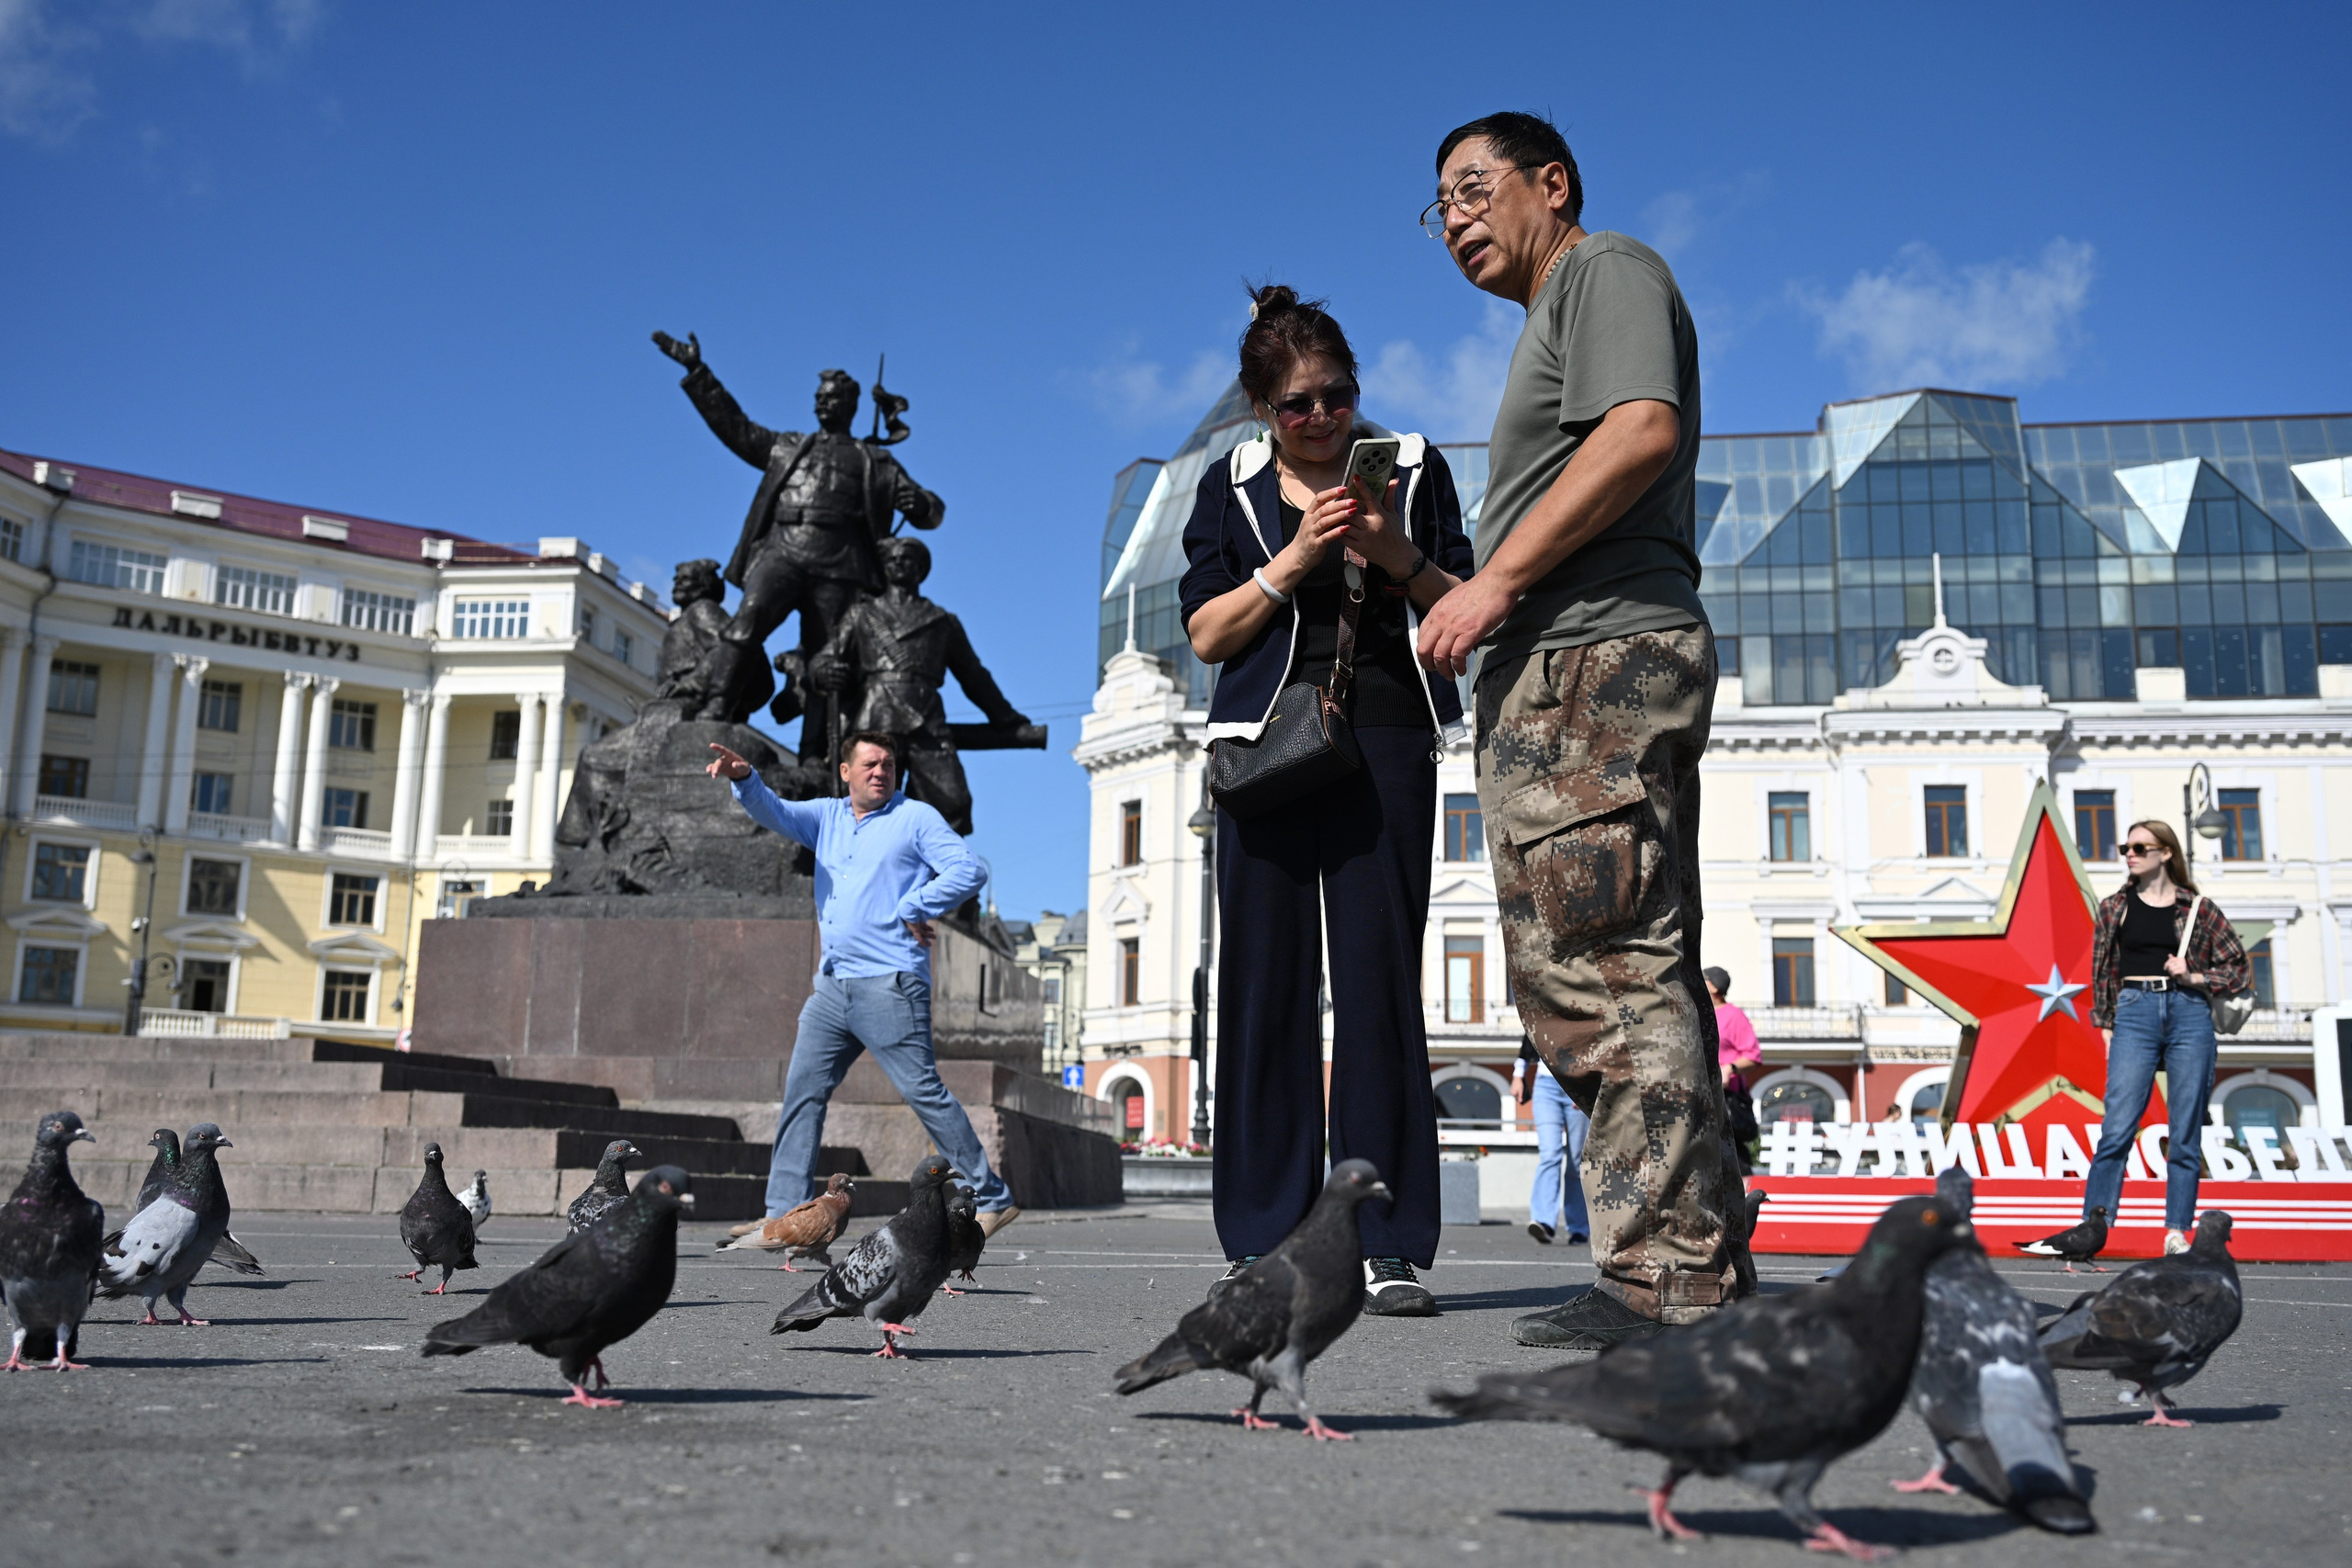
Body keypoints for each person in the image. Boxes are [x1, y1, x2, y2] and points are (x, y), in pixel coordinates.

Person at [1413, 111, 1742, 1348]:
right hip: (1574, 662)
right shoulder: (1561, 306)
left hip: (1591, 661)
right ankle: (1692, 1260)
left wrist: (1497, 583)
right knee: (1627, 958)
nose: (1455, 218)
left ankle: (1663, 1278)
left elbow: (1640, 428)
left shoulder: (1603, 269)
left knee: (1602, 967)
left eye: (1473, 187)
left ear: (1551, 183)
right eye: (1439, 205)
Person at [1179, 284, 1476, 1316]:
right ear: (1262, 409)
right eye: (1297, 403)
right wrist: (1297, 559)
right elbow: (1208, 633)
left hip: (1386, 738)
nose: (1321, 417)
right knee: (1263, 987)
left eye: (1337, 395)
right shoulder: (1231, 484)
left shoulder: (1415, 467)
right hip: (1261, 747)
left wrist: (1393, 553)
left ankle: (1383, 1243)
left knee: (1379, 985)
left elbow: (1463, 608)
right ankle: (1261, 1236)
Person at [705, 730, 1020, 1237]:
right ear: (845, 771)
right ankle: (783, 1213)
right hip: (832, 987)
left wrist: (915, 904)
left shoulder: (914, 818)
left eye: (888, 765)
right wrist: (744, 779)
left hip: (890, 983)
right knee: (802, 1093)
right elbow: (775, 811)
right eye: (870, 764)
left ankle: (992, 1195)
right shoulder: (826, 817)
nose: (880, 772)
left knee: (923, 1092)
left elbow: (967, 870)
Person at [653, 333, 944, 747]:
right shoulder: (788, 446)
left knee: (827, 658)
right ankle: (717, 706)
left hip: (841, 563)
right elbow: (735, 428)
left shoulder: (876, 461)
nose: (822, 404)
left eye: (831, 398)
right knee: (747, 622)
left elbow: (931, 510)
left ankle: (814, 752)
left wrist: (921, 504)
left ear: (850, 406)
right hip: (785, 551)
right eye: (819, 398)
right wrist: (698, 372)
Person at [2087, 818, 2248, 1255]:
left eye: (2140, 847)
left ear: (2166, 853)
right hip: (2134, 1011)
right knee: (2117, 1126)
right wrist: (2106, 1024)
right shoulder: (2114, 907)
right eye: (2126, 847)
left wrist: (2194, 975)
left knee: (2184, 1132)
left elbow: (2238, 968)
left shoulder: (2199, 908)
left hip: (2189, 1012)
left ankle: (2176, 1231)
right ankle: (2094, 1226)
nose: (2130, 854)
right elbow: (2101, 971)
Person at [1514, 1035, 1589, 1245]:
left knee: (1576, 1162)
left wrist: (1587, 1087)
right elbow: (1533, 1032)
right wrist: (1518, 1075)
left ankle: (1579, 1228)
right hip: (1546, 1085)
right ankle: (1544, 1222)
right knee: (1549, 1155)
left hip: (1578, 1081)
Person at [1706, 967, 1762, 1168]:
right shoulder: (1697, 1013)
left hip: (1726, 1097)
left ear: (1714, 987)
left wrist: (1729, 1068)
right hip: (1701, 1094)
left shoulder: (1734, 1015)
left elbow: (1753, 1055)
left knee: (1731, 1153)